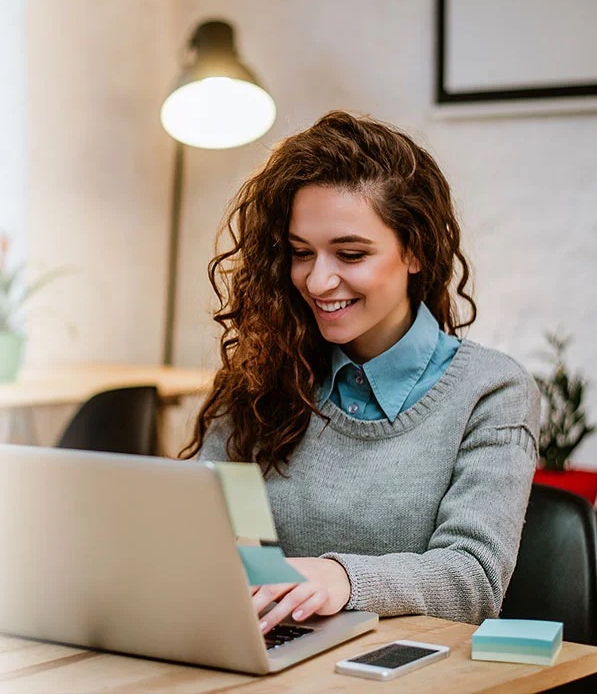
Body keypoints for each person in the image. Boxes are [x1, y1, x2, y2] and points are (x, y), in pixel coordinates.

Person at [175, 110, 539, 633]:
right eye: (302, 253)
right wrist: (244, 567)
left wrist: (339, 578)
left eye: (350, 254)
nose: (319, 281)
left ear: (414, 250)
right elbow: (211, 522)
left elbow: (473, 578)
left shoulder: (492, 392)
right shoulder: (266, 374)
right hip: (270, 658)